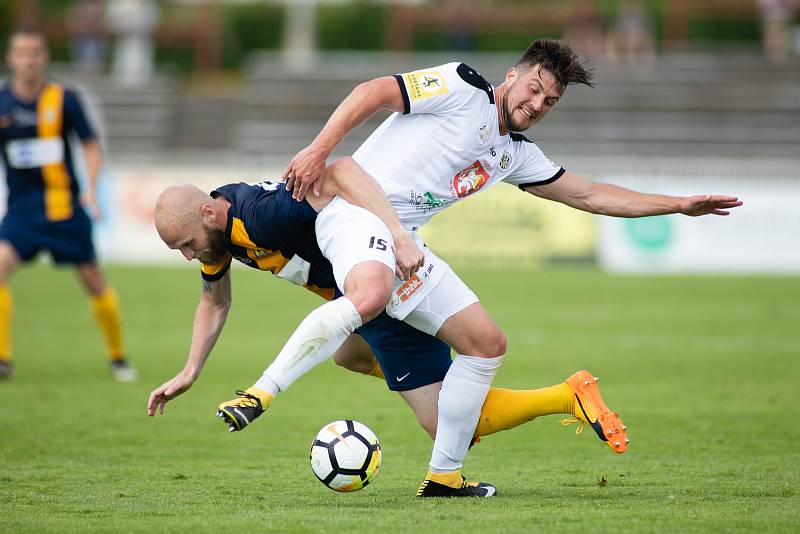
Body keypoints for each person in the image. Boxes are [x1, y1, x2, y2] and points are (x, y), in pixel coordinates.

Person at [279, 39, 742, 494]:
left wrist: (678, 204)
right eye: (534, 88)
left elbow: (590, 194)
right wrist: (320, 148)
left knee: (354, 355)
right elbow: (375, 90)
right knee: (465, 352)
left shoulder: (514, 154)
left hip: (391, 247)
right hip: (359, 226)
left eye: (550, 100)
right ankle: (450, 467)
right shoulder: (462, 86)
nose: (537, 103)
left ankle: (447, 467)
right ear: (511, 76)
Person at [147, 178, 627, 497]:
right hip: (355, 292)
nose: (189, 256)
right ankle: (461, 395)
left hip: (379, 289)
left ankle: (567, 396)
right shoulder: (219, 228)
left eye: (185, 244)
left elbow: (334, 188)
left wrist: (392, 239)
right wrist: (190, 371)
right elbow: (214, 301)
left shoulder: (262, 217)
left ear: (208, 214)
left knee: (451, 427)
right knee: (349, 357)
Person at [0, 27, 136, 382]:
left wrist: (91, 188)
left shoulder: (64, 99)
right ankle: (3, 358)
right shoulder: (2, 101)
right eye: (21, 54)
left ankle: (118, 356)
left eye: (35, 54)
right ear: (10, 58)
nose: (28, 61)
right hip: (22, 211)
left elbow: (90, 145)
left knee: (93, 281)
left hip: (65, 209)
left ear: (44, 58)